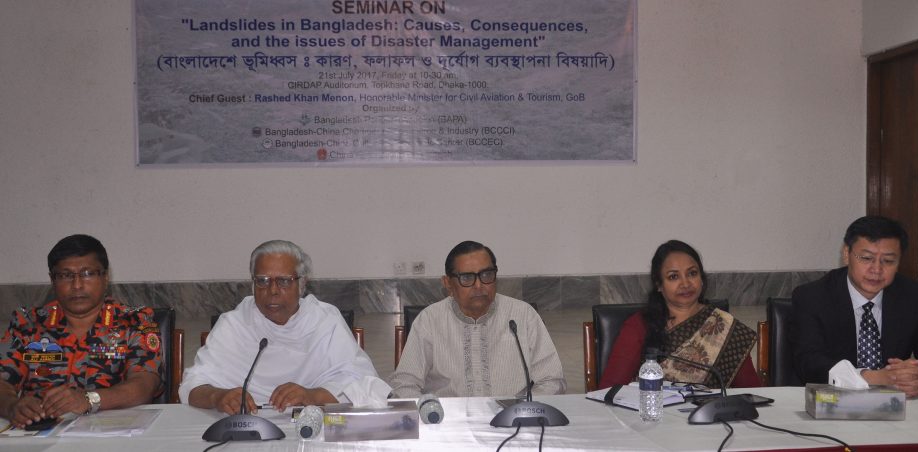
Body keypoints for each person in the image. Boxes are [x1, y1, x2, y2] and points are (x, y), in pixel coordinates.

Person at [179, 240, 379, 415]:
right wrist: (218, 396)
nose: (272, 291)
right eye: (262, 281)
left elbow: (365, 383)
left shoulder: (324, 321)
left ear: (302, 283)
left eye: (284, 281)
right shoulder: (234, 324)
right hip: (246, 430)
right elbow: (192, 385)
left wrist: (311, 395)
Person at [0, 235, 162, 428]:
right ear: (52, 280)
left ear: (105, 276)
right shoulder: (27, 324)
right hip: (41, 432)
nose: (77, 285)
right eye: (66, 275)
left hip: (111, 432)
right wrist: (12, 406)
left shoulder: (136, 321)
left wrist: (90, 399)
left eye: (87, 273)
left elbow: (144, 385)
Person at [389, 241, 565, 398]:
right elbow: (405, 384)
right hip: (449, 424)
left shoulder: (523, 315)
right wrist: (430, 412)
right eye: (467, 278)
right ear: (447, 283)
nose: (479, 285)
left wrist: (525, 410)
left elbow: (552, 381)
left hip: (513, 420)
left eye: (487, 275)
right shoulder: (429, 320)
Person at [599, 240, 761, 389]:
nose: (685, 283)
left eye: (692, 273)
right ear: (659, 285)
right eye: (673, 276)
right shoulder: (640, 326)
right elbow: (609, 390)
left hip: (710, 417)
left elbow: (751, 391)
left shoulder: (724, 327)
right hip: (651, 415)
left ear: (702, 278)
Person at [792, 216, 918, 397]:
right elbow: (809, 362)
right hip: (832, 403)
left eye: (888, 261)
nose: (876, 269)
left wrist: (915, 377)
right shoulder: (812, 297)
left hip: (895, 405)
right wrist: (873, 378)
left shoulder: (915, 296)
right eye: (867, 258)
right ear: (846, 254)